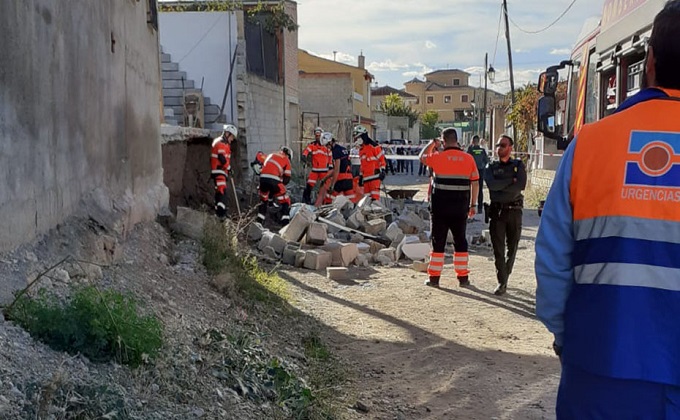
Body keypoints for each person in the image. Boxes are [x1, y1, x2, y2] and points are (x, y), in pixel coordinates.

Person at [536, 2, 680, 417]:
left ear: (649, 62)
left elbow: (551, 259)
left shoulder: (591, 144)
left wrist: (570, 337)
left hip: (603, 364)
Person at [419, 127, 479, 288]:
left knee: (438, 242)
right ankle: (463, 278)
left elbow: (421, 157)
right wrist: (473, 204)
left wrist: (432, 144)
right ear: (456, 139)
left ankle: (434, 279)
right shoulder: (468, 159)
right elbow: (475, 182)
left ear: (443, 141)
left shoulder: (438, 157)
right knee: (460, 241)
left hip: (440, 208)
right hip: (460, 208)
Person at [484, 135, 526, 296]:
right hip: (497, 212)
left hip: (514, 211)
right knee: (498, 249)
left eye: (503, 145)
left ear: (511, 148)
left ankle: (505, 274)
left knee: (513, 246)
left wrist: (504, 184)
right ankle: (502, 281)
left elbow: (520, 185)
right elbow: (492, 186)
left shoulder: (517, 165)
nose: (499, 148)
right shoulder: (491, 166)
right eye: (497, 145)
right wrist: (511, 181)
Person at [257, 146, 293, 226]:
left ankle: (259, 222)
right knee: (285, 201)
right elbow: (287, 179)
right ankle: (285, 224)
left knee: (263, 200)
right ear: (288, 155)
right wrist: (280, 183)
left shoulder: (271, 155)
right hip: (274, 180)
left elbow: (259, 156)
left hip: (262, 179)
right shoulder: (286, 160)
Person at [210, 124, 237, 219]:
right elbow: (222, 158)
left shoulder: (222, 143)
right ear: (227, 133)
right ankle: (221, 214)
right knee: (222, 191)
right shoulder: (221, 143)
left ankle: (220, 212)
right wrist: (228, 168)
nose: (232, 139)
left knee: (220, 192)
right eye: (232, 136)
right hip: (219, 170)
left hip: (220, 171)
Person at [353, 125, 386, 201]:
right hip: (366, 179)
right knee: (367, 200)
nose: (357, 140)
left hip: (375, 178)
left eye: (358, 137)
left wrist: (383, 170)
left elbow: (382, 159)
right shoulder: (361, 150)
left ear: (363, 136)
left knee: (375, 200)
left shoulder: (374, 146)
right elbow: (362, 165)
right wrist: (361, 176)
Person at [301, 127, 332, 204]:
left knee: (327, 186)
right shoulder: (312, 145)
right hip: (315, 170)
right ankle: (306, 201)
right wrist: (304, 157)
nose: (317, 137)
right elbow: (306, 151)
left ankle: (327, 202)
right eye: (316, 136)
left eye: (319, 136)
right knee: (309, 185)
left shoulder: (326, 146)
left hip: (324, 171)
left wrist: (331, 166)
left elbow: (330, 156)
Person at [325, 134, 357, 203]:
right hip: (349, 178)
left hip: (341, 178)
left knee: (329, 198)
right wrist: (325, 178)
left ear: (330, 142)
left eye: (327, 145)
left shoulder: (335, 151)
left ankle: (325, 212)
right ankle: (355, 212)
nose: (327, 147)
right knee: (351, 200)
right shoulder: (343, 149)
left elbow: (337, 169)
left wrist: (332, 185)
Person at [467, 135, 490, 215]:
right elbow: (486, 160)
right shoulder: (482, 150)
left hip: (471, 172)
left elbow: (467, 159)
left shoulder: (470, 150)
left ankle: (469, 205)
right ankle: (480, 208)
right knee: (479, 190)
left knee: (469, 189)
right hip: (480, 171)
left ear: (472, 141)